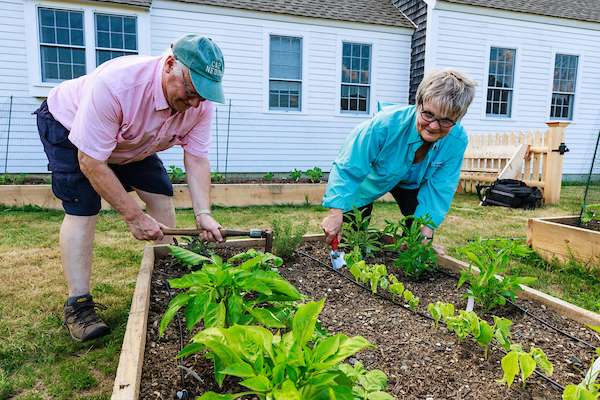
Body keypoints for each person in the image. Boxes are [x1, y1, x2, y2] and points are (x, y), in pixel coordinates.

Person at [35, 34, 226, 341]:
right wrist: (133, 216)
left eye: (201, 96)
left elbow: (197, 157)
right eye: (190, 91)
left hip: (131, 139)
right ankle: (79, 304)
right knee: (83, 207)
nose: (194, 103)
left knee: (162, 195)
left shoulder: (198, 105)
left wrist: (203, 213)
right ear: (169, 65)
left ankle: (169, 277)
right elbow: (91, 162)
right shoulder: (118, 86)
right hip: (69, 125)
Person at [320, 69, 476, 251]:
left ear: (458, 118)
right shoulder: (384, 125)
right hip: (372, 179)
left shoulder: (456, 140)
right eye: (428, 114)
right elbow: (349, 166)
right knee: (353, 234)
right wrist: (336, 211)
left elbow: (441, 186)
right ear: (418, 105)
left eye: (446, 120)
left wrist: (427, 232)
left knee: (417, 236)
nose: (434, 126)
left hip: (412, 184)